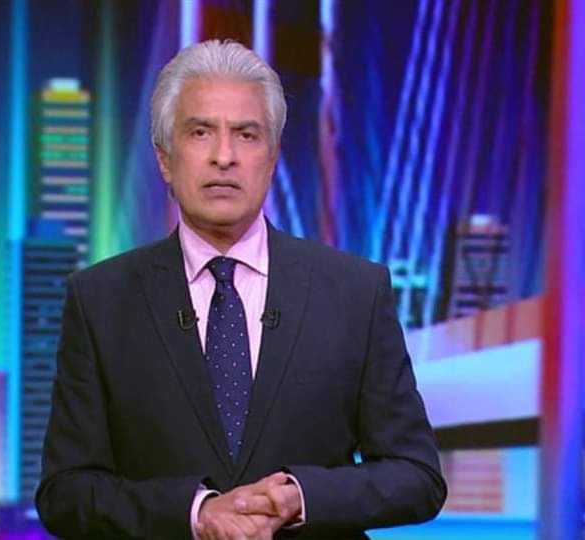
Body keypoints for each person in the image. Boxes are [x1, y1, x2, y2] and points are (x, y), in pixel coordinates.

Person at [36, 39, 446, 539]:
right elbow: (65, 492)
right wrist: (196, 512)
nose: (224, 157)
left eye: (246, 135)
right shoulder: (100, 300)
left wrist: (300, 496)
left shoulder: (356, 292)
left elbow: (417, 477)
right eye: (200, 132)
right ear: (164, 159)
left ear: (272, 158)